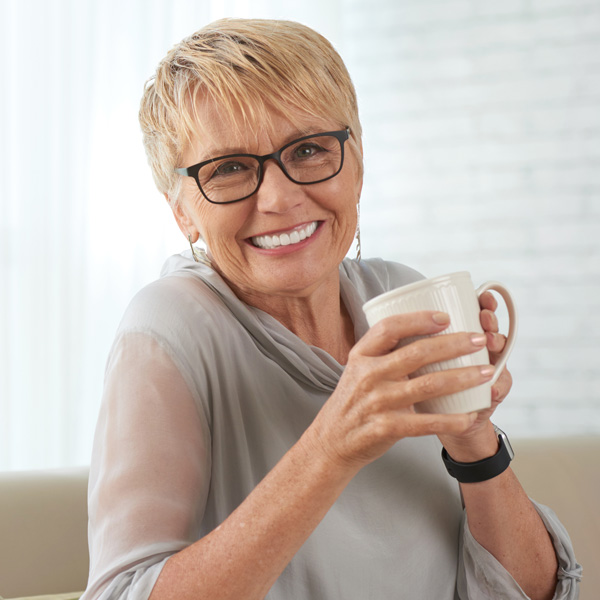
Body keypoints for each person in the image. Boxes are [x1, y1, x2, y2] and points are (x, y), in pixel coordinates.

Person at [81, 18, 581, 600]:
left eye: (310, 149)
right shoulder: (168, 330)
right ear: (183, 211)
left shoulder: (396, 294)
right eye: (230, 168)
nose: (279, 198)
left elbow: (536, 591)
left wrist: (472, 437)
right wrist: (331, 447)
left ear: (358, 168)